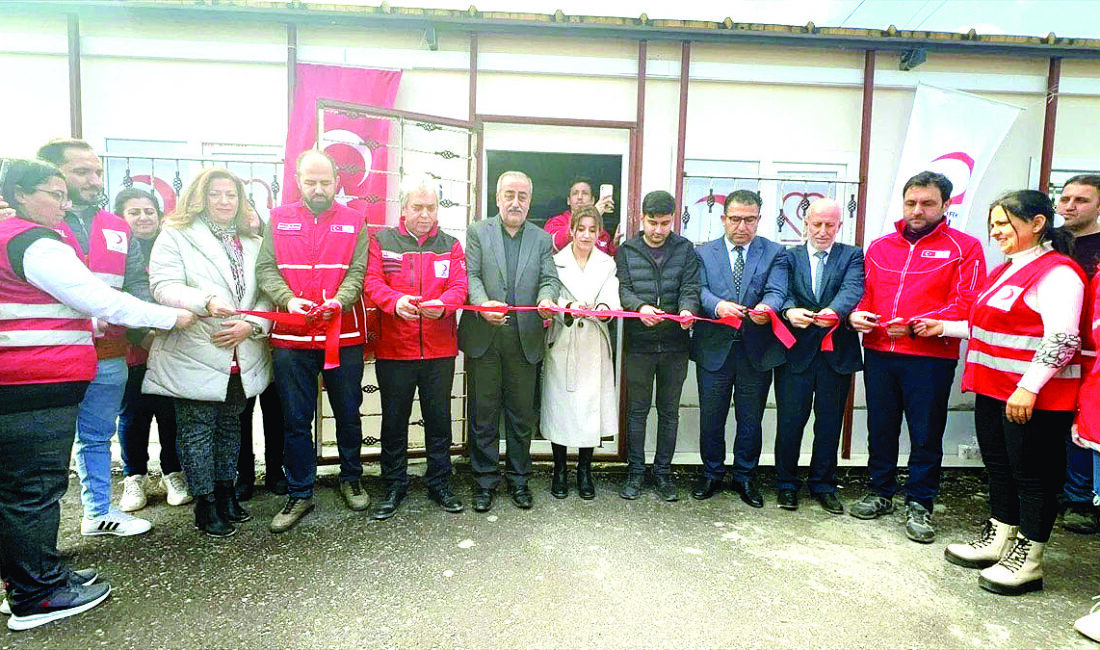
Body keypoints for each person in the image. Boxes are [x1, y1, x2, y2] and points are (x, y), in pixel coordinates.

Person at [0, 159, 193, 630]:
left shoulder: (19, 238)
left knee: (22, 489)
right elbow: (96, 296)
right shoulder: (34, 240)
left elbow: (58, 303)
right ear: (21, 194)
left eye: (65, 194)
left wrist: (90, 321)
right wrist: (169, 318)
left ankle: (31, 578)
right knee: (34, 489)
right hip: (32, 381)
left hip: (30, 379)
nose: (64, 204)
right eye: (53, 193)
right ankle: (36, 596)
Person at [918, 191, 1084, 595]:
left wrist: (1028, 387)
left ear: (1037, 224)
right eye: (992, 224)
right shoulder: (1007, 268)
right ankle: (1000, 537)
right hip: (994, 390)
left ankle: (1029, 559)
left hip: (1033, 398)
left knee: (1032, 476)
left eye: (1003, 223)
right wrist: (946, 328)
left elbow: (1063, 339)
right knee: (1000, 468)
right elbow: (988, 323)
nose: (995, 232)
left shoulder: (1058, 273)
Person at [848, 171, 986, 544]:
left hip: (930, 357)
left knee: (925, 433)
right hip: (879, 351)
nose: (917, 210)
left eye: (927, 203)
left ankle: (920, 501)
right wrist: (857, 315)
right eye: (911, 203)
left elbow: (967, 302)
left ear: (945, 205)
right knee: (881, 427)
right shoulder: (879, 246)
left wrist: (919, 325)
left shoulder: (965, 247)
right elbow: (866, 294)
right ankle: (880, 492)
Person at [37, 139, 157, 537]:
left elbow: (136, 282)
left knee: (96, 436)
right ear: (54, 176)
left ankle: (97, 512)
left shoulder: (117, 225)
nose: (93, 180)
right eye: (81, 172)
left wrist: (149, 325)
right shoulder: (35, 226)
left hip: (109, 353)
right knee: (45, 447)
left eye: (96, 171)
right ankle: (38, 534)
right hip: (52, 354)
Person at [144, 168, 273, 538]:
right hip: (197, 346)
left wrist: (252, 324)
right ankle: (204, 503)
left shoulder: (251, 241)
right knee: (197, 429)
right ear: (199, 197)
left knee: (231, 424)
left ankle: (225, 490)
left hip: (240, 347)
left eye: (231, 195)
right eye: (215, 194)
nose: (223, 201)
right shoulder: (176, 236)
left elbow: (266, 291)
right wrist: (204, 301)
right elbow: (163, 286)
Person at [257, 150, 371, 533]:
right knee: (295, 419)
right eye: (311, 181)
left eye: (325, 181)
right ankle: (300, 490)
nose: (319, 189)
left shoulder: (356, 221)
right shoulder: (277, 219)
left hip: (345, 334)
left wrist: (341, 299)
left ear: (338, 181)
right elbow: (265, 269)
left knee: (348, 413)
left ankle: (351, 478)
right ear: (298, 181)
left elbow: (359, 270)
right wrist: (288, 300)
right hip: (291, 337)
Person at [363, 176, 468, 519]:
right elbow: (372, 282)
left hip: (439, 350)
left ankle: (439, 482)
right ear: (403, 208)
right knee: (394, 421)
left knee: (439, 421)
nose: (425, 214)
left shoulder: (450, 244)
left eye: (431, 207)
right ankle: (394, 484)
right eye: (417, 207)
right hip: (395, 349)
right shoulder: (381, 240)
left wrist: (446, 305)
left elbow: (459, 286)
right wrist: (394, 302)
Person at [459, 171, 559, 512]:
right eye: (509, 195)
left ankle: (519, 481)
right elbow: (470, 275)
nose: (516, 202)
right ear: (498, 198)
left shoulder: (542, 239)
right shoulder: (477, 232)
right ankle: (484, 482)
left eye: (522, 196)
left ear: (529, 201)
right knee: (484, 415)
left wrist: (547, 300)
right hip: (484, 338)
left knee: (520, 417)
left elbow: (549, 279)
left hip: (524, 340)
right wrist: (482, 303)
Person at [691, 190, 786, 508]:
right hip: (713, 349)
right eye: (735, 219)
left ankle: (745, 477)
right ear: (723, 219)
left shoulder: (774, 252)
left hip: (755, 351)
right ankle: (712, 473)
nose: (742, 226)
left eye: (749, 219)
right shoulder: (703, 252)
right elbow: (698, 289)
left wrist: (766, 307)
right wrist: (716, 305)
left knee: (750, 419)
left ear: (759, 220)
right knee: (711, 417)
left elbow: (777, 290)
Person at [774, 198, 864, 514]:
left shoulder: (852, 256)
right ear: (806, 224)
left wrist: (835, 311)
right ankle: (786, 484)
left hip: (835, 354)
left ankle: (823, 485)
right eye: (817, 224)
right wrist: (788, 310)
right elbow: (779, 290)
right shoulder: (787, 256)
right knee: (789, 423)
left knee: (828, 425)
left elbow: (853, 290)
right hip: (795, 355)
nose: (823, 231)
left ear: (839, 225)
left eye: (830, 225)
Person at [616, 190, 700, 502]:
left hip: (676, 344)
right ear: (642, 219)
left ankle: (663, 473)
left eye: (665, 223)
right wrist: (639, 308)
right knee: (637, 411)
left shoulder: (685, 249)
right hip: (639, 344)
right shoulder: (627, 250)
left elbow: (691, 286)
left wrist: (688, 309)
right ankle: (636, 472)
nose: (658, 230)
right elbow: (622, 289)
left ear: (673, 219)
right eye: (653, 222)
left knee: (669, 411)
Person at [111, 188, 191, 512]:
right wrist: (139, 335)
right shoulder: (114, 253)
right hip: (133, 349)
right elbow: (109, 297)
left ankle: (173, 472)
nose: (143, 217)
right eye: (135, 212)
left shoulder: (172, 246)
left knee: (170, 414)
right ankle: (135, 477)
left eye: (149, 211)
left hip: (170, 347)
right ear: (122, 217)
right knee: (133, 415)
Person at [541, 205, 620, 500]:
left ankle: (584, 471)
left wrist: (602, 310)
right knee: (561, 408)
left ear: (599, 232)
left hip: (594, 344)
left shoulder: (607, 263)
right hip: (564, 340)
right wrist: (568, 309)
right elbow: (551, 294)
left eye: (592, 229)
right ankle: (559, 470)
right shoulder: (555, 262)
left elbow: (612, 295)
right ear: (572, 230)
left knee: (589, 410)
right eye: (581, 228)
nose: (586, 235)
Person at [1056, 174, 1100, 534]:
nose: (1070, 206)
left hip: (1092, 353)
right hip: (1054, 349)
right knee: (1052, 423)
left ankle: (1080, 499)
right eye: (1065, 198)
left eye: (1081, 200)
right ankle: (1053, 489)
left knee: (1085, 426)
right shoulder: (1050, 243)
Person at [544, 175, 617, 255]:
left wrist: (615, 244)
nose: (579, 197)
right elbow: (558, 244)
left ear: (593, 200)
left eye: (585, 193)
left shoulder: (602, 232)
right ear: (568, 200)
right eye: (575, 193)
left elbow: (607, 258)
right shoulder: (555, 222)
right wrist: (592, 214)